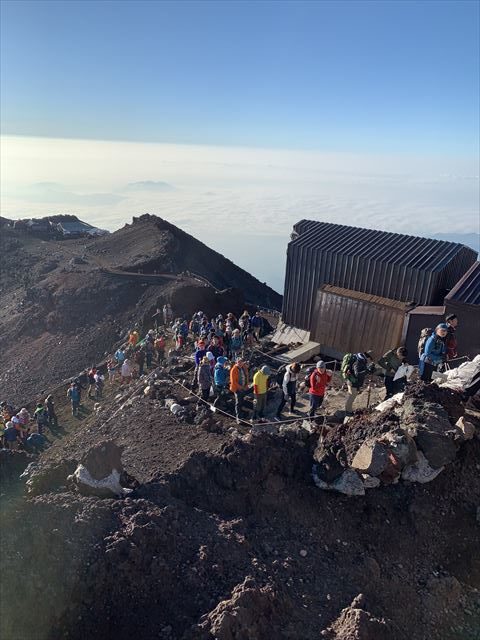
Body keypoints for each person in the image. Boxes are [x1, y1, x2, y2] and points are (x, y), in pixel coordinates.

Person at [230, 356, 250, 423]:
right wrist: (241, 388)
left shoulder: (244, 367)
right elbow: (233, 381)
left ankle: (241, 414)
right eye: (239, 362)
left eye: (241, 362)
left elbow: (246, 376)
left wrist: (246, 385)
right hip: (237, 389)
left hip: (243, 387)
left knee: (241, 401)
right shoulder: (234, 369)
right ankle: (238, 417)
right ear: (236, 362)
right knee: (238, 402)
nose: (240, 363)